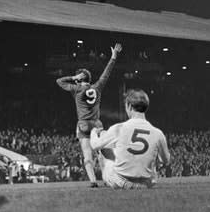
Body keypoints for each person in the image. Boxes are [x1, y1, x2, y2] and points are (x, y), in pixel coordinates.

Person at [56, 43, 122, 187]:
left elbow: (59, 81)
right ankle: (106, 179)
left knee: (87, 154)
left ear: (80, 79)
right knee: (102, 153)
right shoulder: (97, 87)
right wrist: (113, 57)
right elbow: (106, 73)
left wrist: (74, 77)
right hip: (97, 124)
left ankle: (93, 181)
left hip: (83, 124)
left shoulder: (76, 89)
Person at [90, 89, 170, 189]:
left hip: (120, 181)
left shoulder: (119, 128)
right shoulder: (158, 133)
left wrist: (93, 132)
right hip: (147, 183)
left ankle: (108, 181)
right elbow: (166, 160)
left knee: (103, 135)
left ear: (129, 106)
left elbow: (94, 145)